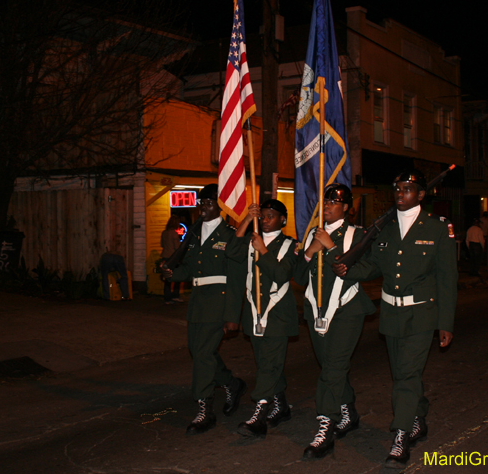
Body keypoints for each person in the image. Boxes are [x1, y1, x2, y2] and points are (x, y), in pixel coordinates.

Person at [332, 169, 458, 469]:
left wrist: (446, 323)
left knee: (406, 376)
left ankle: (400, 435)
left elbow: (447, 279)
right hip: (391, 314)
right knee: (404, 375)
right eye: (397, 189)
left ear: (421, 195)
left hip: (421, 315)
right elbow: (374, 265)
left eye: (408, 189)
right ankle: (417, 416)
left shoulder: (437, 229)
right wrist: (349, 270)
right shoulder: (385, 230)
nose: (400, 194)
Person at [295, 183, 376, 460]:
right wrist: (309, 251)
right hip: (315, 312)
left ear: (346, 208)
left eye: (333, 203)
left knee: (332, 368)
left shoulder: (358, 235)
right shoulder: (314, 234)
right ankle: (347, 409)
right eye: (325, 202)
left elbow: (366, 270)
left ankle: (325, 425)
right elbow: (297, 274)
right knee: (330, 365)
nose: (327, 207)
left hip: (346, 311)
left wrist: (329, 249)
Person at [161, 184, 247, 435]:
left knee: (202, 355)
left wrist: (233, 316)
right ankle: (231, 383)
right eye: (201, 203)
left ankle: (204, 409)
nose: (203, 207)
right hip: (198, 301)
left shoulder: (231, 235)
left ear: (220, 206)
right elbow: (189, 268)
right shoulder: (195, 234)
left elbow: (236, 277)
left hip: (219, 302)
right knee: (200, 352)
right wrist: (171, 274)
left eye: (208, 203)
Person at [227, 198, 298, 438]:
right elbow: (231, 250)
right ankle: (281, 406)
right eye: (263, 216)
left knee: (270, 364)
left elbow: (282, 274)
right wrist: (247, 219)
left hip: (277, 315)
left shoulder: (290, 245)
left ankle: (260, 412)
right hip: (254, 313)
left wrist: (263, 251)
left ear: (282, 220)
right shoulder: (251, 238)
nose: (265, 220)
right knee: (266, 363)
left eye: (271, 216)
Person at [160, 215, 184, 304]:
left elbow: (162, 244)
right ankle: (175, 295)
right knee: (177, 276)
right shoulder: (174, 233)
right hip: (173, 257)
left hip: (165, 256)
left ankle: (167, 297)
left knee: (167, 277)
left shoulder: (164, 232)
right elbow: (177, 247)